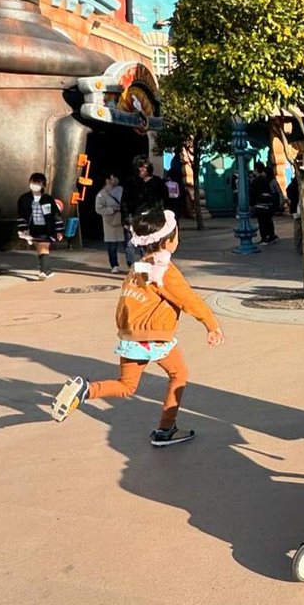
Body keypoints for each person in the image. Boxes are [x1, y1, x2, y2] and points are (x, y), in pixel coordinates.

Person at [49, 208, 225, 446]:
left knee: (126, 386)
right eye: (176, 234)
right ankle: (166, 429)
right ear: (168, 240)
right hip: (153, 337)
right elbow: (189, 300)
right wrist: (211, 325)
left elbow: (126, 301)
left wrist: (125, 331)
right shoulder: (164, 272)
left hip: (131, 336)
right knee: (179, 374)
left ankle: (85, 390)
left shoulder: (138, 267)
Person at [17, 172, 65, 280]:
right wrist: (23, 229)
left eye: (38, 182)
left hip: (47, 228)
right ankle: (48, 270)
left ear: (43, 185)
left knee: (43, 247)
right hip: (33, 228)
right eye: (33, 182)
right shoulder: (24, 199)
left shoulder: (48, 199)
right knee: (40, 249)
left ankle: (43, 272)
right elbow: (21, 215)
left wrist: (59, 230)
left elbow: (56, 215)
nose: (35, 185)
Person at [95, 172, 135, 273]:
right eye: (113, 178)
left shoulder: (122, 190)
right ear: (107, 180)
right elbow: (98, 209)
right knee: (112, 245)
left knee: (129, 244)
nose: (115, 180)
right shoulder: (102, 194)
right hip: (110, 222)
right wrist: (110, 210)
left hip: (123, 220)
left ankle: (131, 264)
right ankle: (114, 265)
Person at [120, 156, 169, 234]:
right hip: (137, 219)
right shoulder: (131, 183)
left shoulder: (158, 182)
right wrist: (125, 219)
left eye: (145, 167)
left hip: (154, 220)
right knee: (133, 244)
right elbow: (124, 202)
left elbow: (165, 199)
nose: (142, 170)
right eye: (140, 167)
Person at [249, 162, 280, 244]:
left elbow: (252, 192)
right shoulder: (267, 180)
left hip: (259, 204)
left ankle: (264, 238)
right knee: (268, 220)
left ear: (256, 170)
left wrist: (251, 204)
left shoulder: (256, 181)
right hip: (267, 204)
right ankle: (271, 236)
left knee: (262, 222)